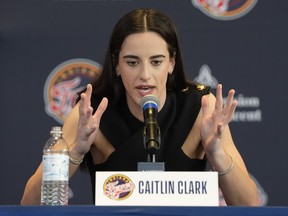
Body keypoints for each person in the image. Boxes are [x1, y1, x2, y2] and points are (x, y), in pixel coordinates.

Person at [21, 8, 259, 206]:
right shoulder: (93, 112)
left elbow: (249, 205)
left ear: (171, 64)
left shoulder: (201, 107)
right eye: (132, 62)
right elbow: (29, 204)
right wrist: (75, 152)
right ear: (116, 65)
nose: (145, 75)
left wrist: (216, 152)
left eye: (156, 62)